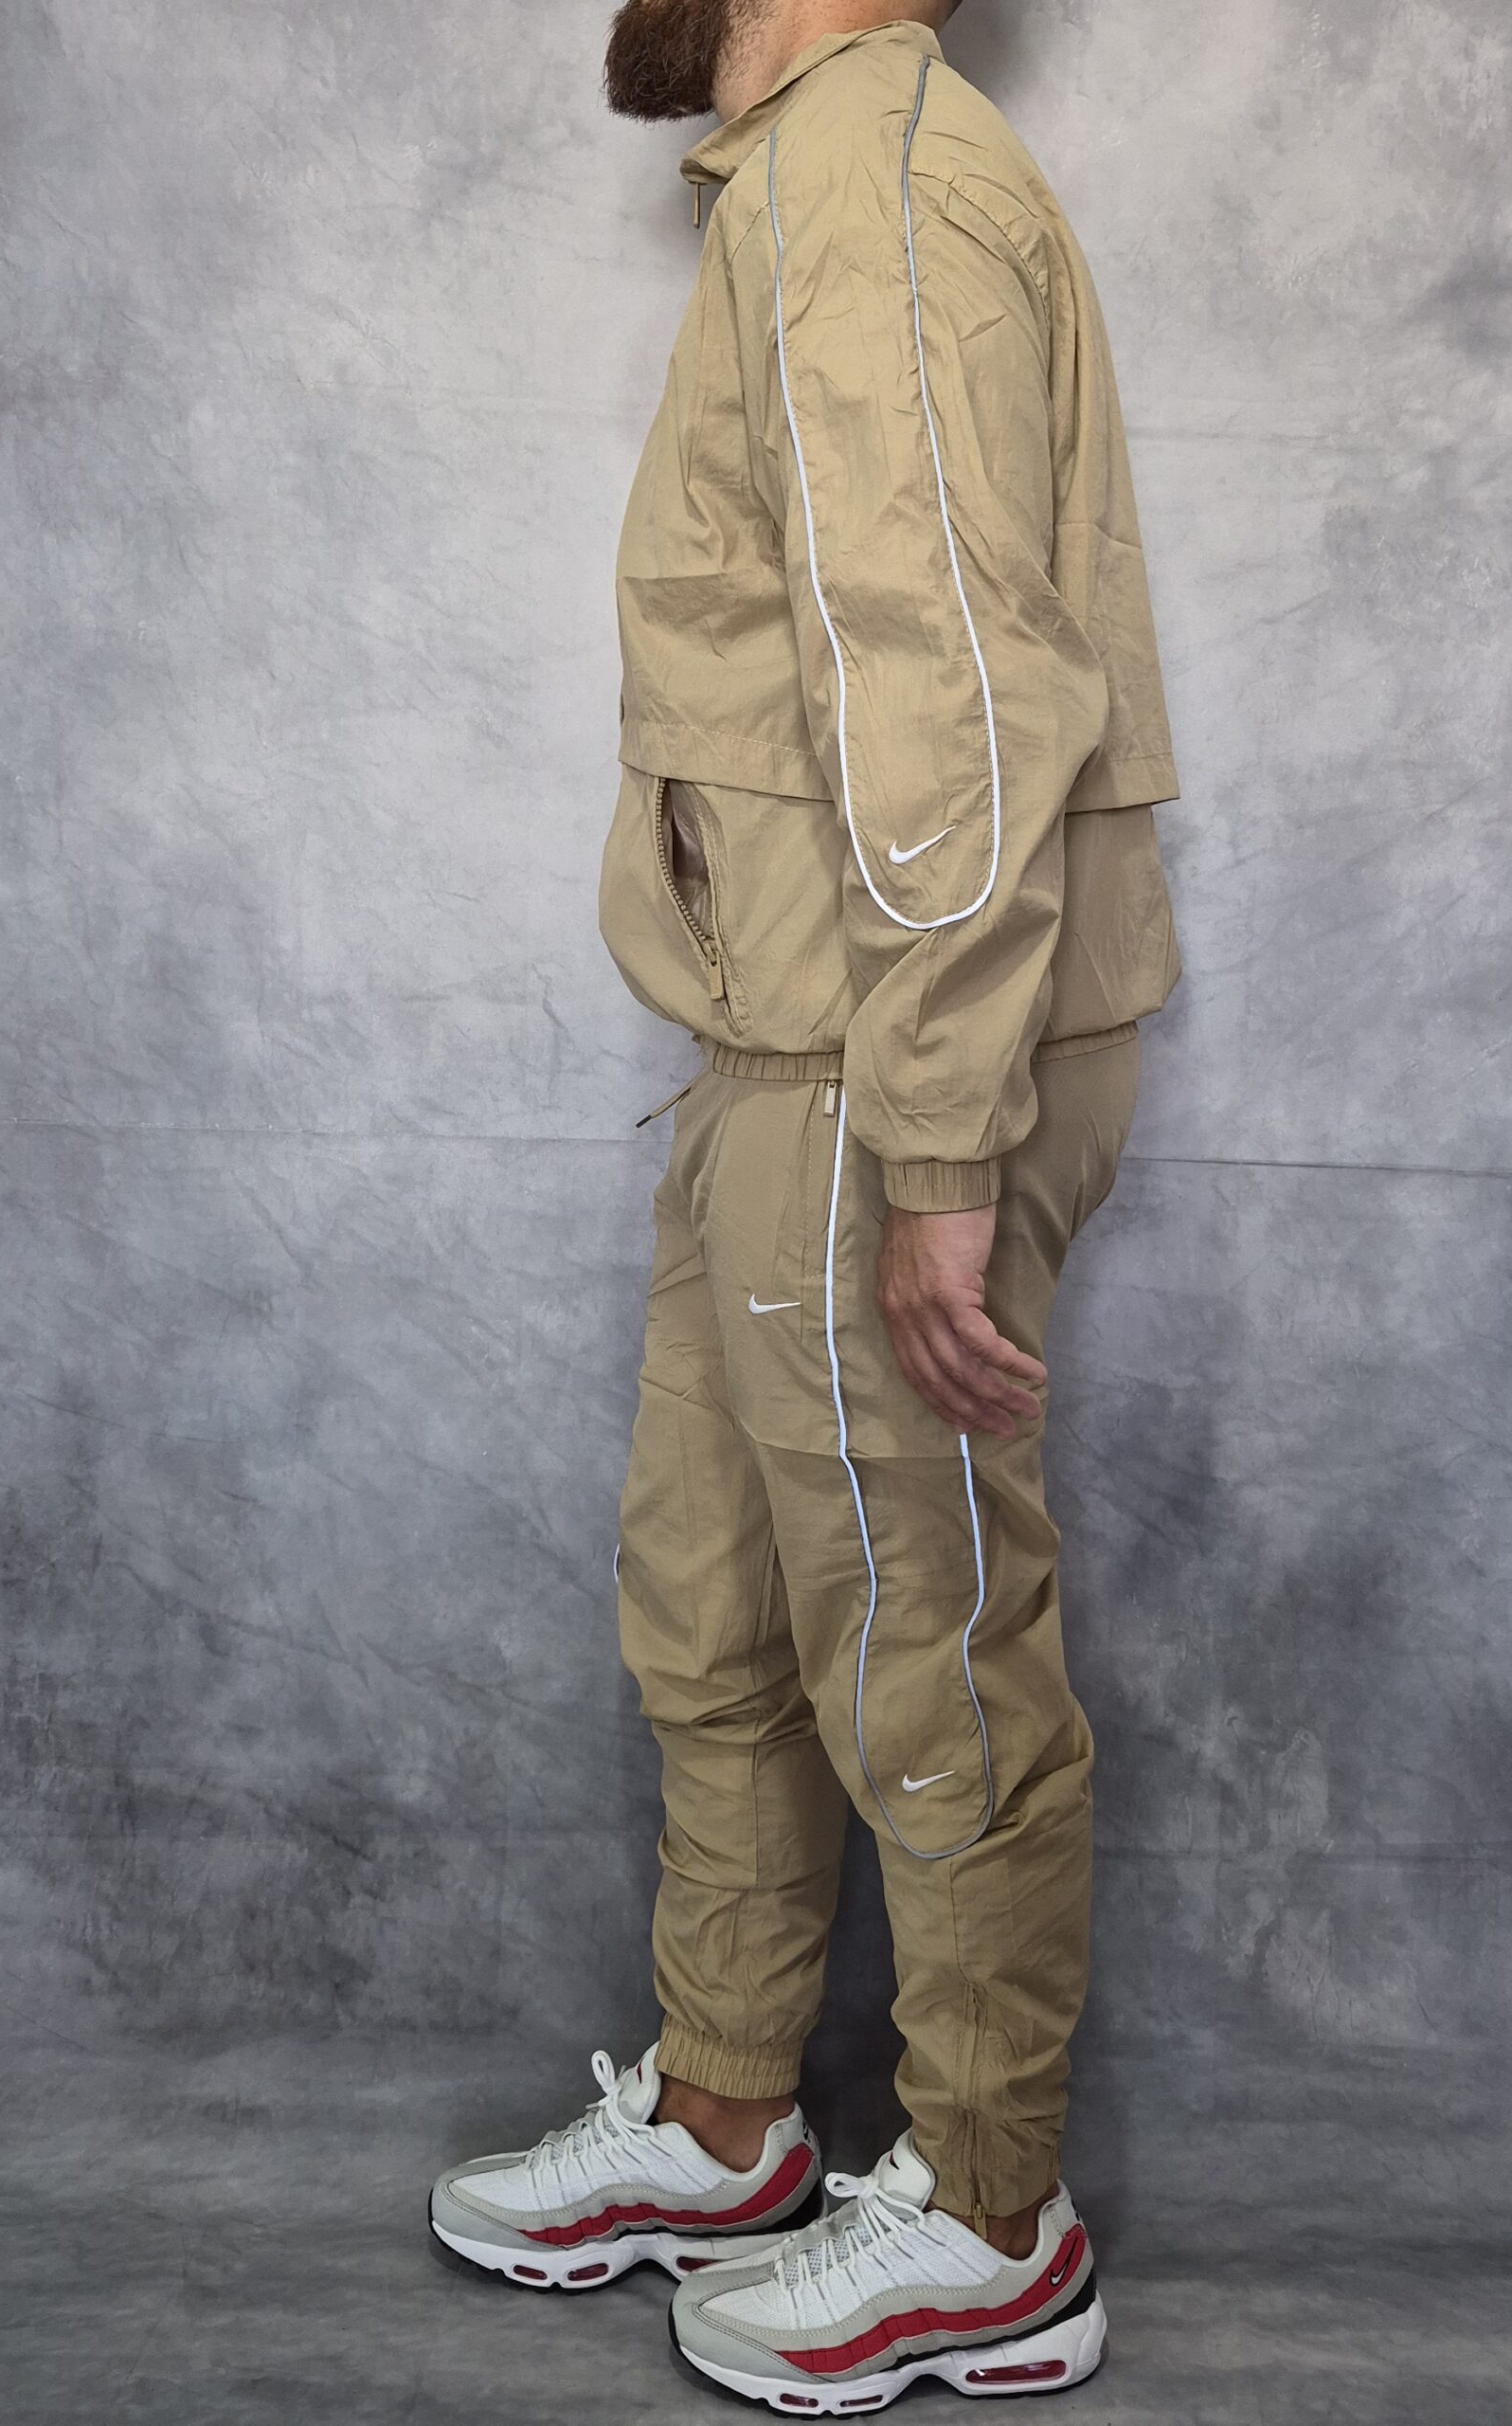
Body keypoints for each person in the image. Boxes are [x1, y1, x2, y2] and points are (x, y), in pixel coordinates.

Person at [428, 1, 1180, 2407]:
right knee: (716, 1601)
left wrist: (934, 1144)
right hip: (789, 1036)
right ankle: (728, 2116)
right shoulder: (812, 174)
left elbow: (944, 677)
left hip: (884, 1056)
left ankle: (989, 2218)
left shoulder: (873, 185)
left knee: (917, 1646)